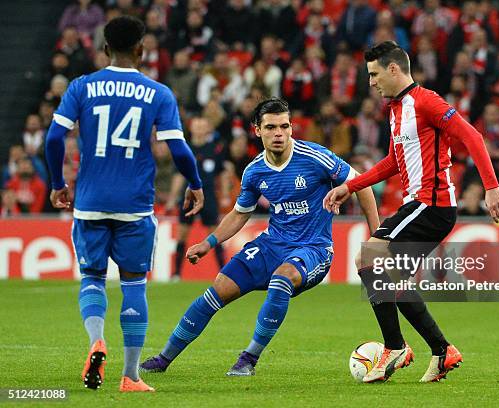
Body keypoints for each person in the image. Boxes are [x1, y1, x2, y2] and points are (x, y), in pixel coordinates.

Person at [139, 98, 379, 376]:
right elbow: (240, 213)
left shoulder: (315, 157)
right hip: (272, 244)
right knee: (218, 289)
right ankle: (164, 358)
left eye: (284, 126)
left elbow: (363, 185)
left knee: (282, 278)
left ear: (291, 128)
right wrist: (209, 242)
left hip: (314, 248)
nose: (279, 133)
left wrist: (377, 236)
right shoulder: (254, 171)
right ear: (257, 130)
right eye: (271, 127)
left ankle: (248, 359)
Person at [324, 41, 499, 383]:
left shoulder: (427, 101)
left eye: (375, 74)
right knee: (390, 278)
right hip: (421, 205)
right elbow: (395, 162)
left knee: (368, 258)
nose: (372, 82)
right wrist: (350, 185)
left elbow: (472, 137)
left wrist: (491, 186)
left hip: (431, 204)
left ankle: (395, 347)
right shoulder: (396, 111)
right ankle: (442, 351)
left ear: (394, 69)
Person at [44, 16, 204, 392]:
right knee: (134, 285)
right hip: (135, 205)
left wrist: (57, 183)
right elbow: (177, 148)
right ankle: (131, 376)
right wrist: (195, 183)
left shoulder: (81, 86)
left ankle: (97, 342)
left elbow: (53, 138)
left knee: (92, 279)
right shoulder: (158, 92)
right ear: (141, 50)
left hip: (90, 202)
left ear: (104, 49)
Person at [169, 117, 226, 280]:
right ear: (191, 128)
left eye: (203, 126)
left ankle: (223, 271)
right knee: (182, 234)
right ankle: (176, 274)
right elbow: (178, 176)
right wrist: (173, 197)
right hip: (188, 196)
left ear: (208, 128)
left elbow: (221, 173)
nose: (200, 129)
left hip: (209, 196)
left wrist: (225, 195)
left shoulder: (215, 149)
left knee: (215, 234)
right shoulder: (184, 149)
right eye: (197, 125)